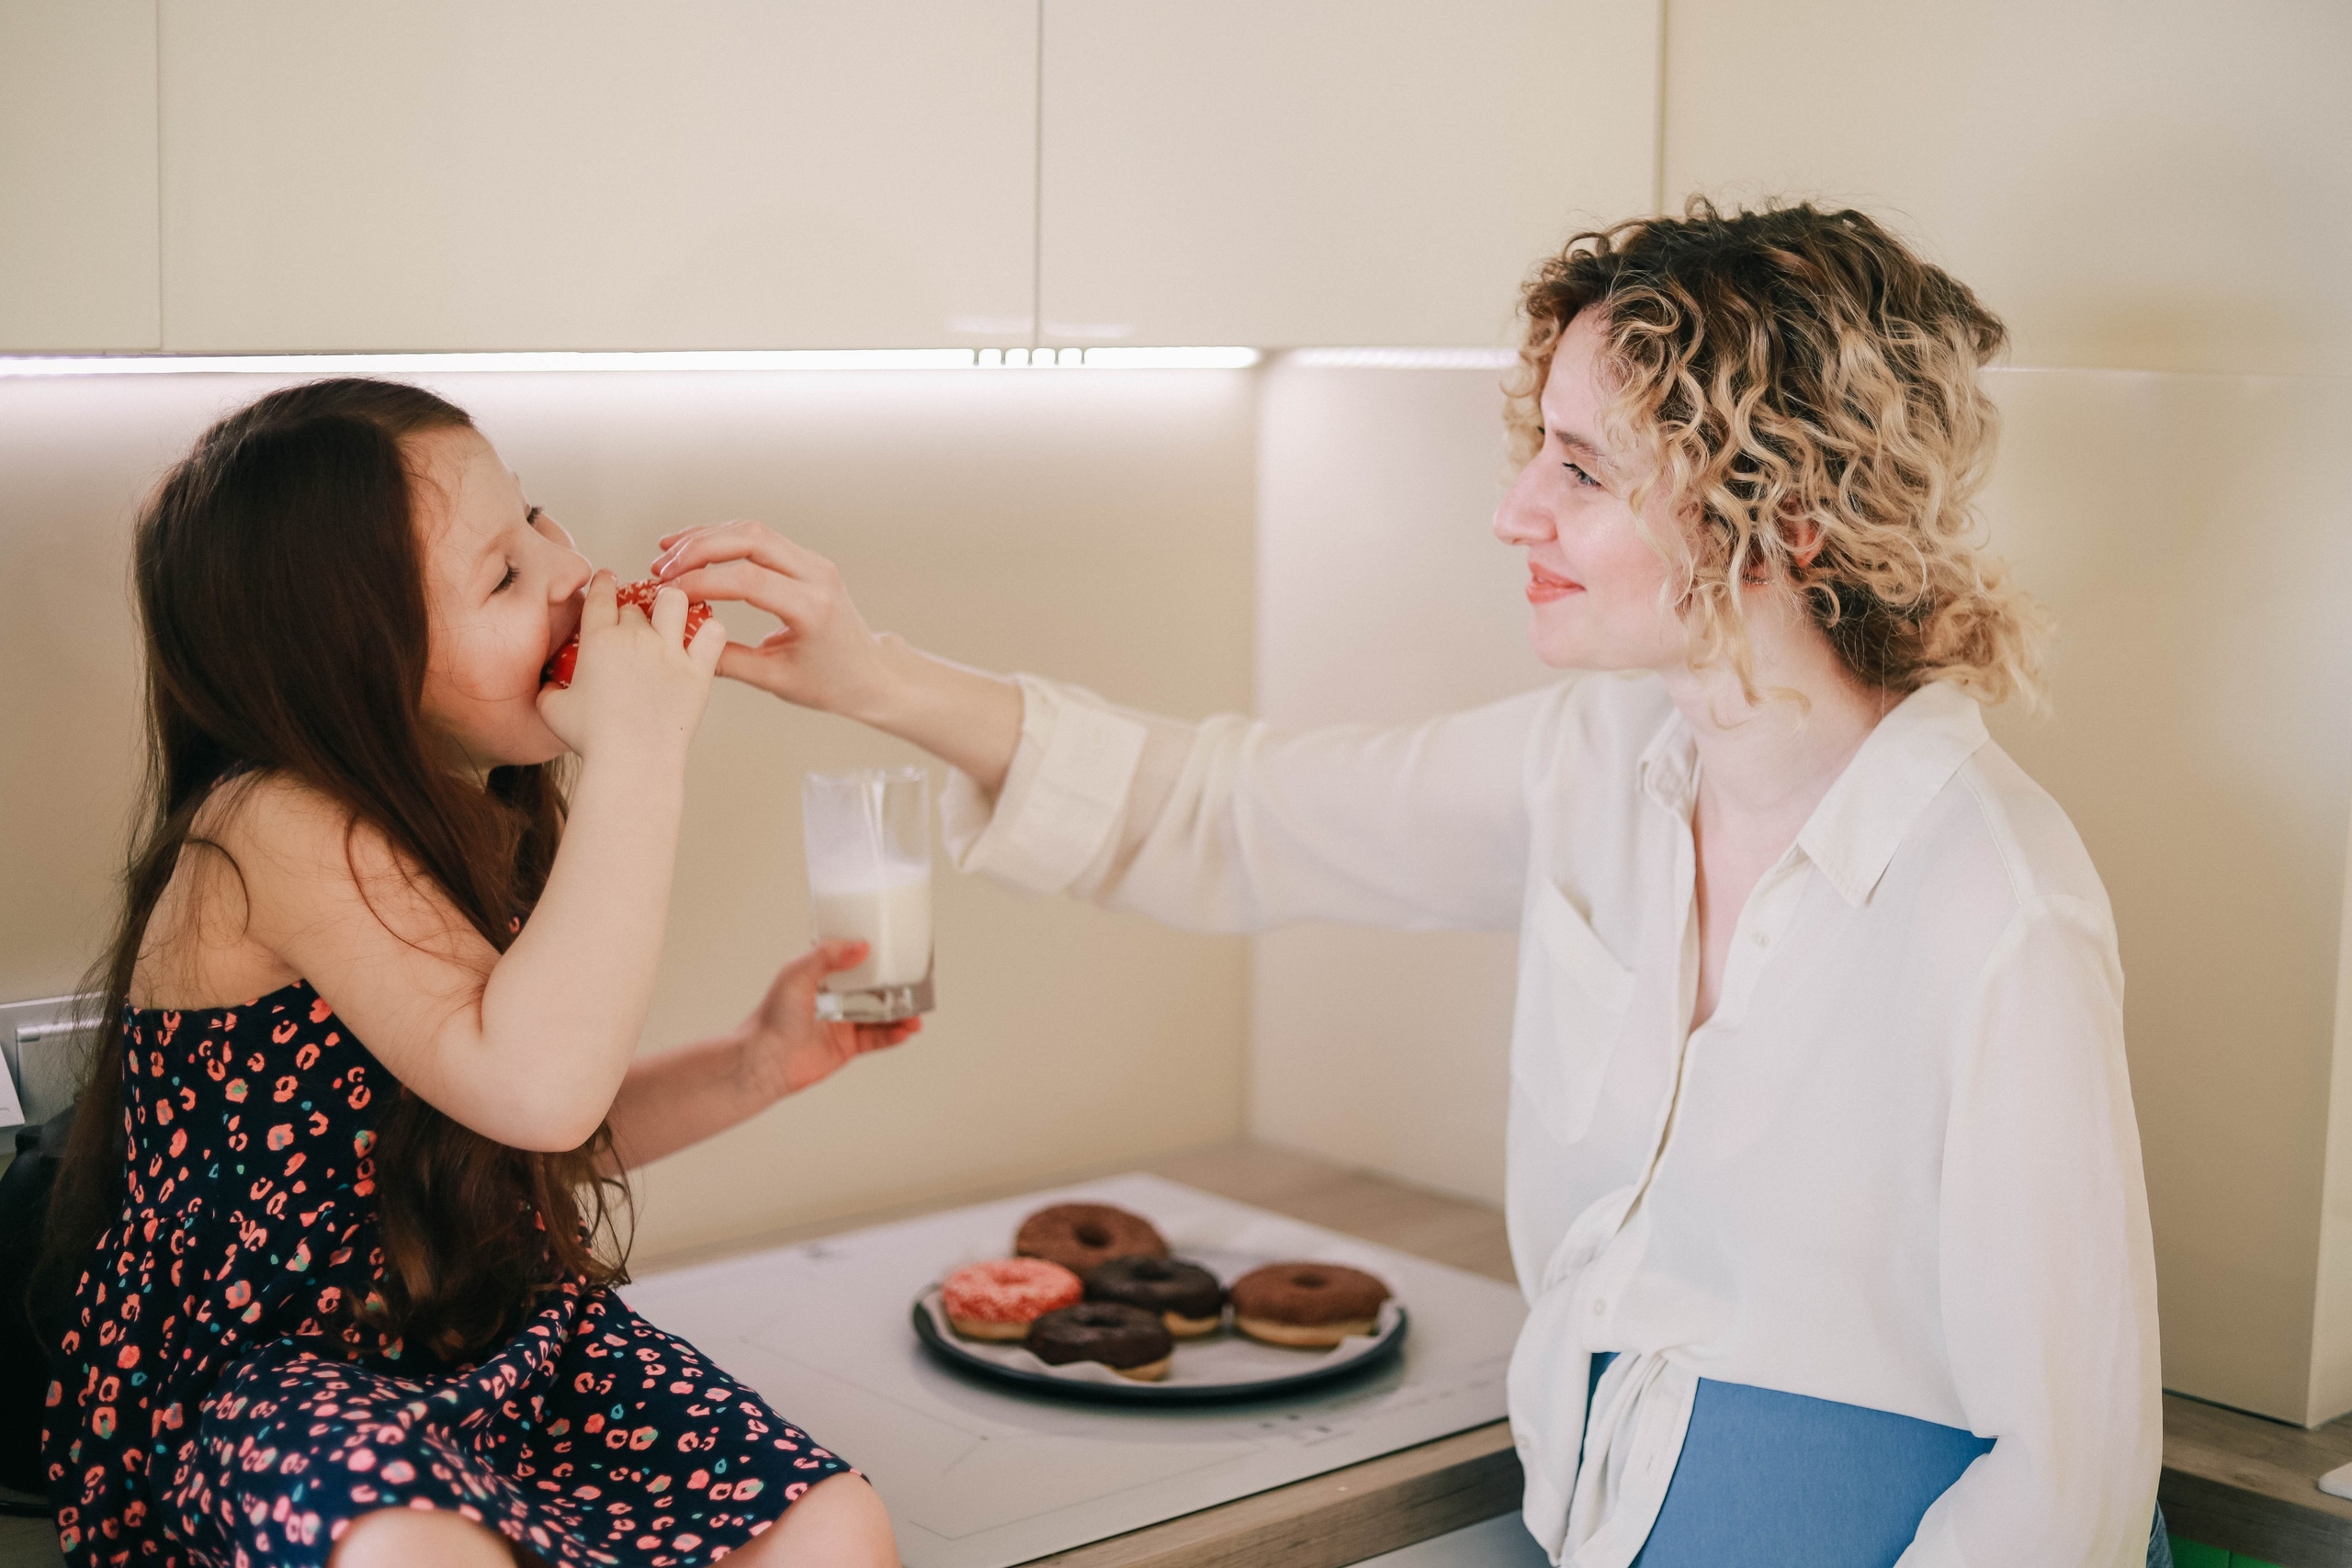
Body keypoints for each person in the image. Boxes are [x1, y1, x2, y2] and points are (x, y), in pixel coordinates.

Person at [650, 202, 2166, 1565]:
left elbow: (2068, 1487)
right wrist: (873, 679)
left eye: (1582, 469)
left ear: (1788, 512)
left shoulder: (1993, 902)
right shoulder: (1599, 761)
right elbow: (1232, 812)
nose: (1517, 511)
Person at [37, 379, 910, 1567]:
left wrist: (754, 1064)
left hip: (496, 1341)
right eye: (502, 577)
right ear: (354, 675)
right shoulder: (272, 825)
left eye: (536, 518)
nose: (566, 573)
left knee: (832, 1523)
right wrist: (642, 751)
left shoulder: (467, 815)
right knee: (413, 1547)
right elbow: (540, 1090)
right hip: (280, 1384)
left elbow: (509, 1143)